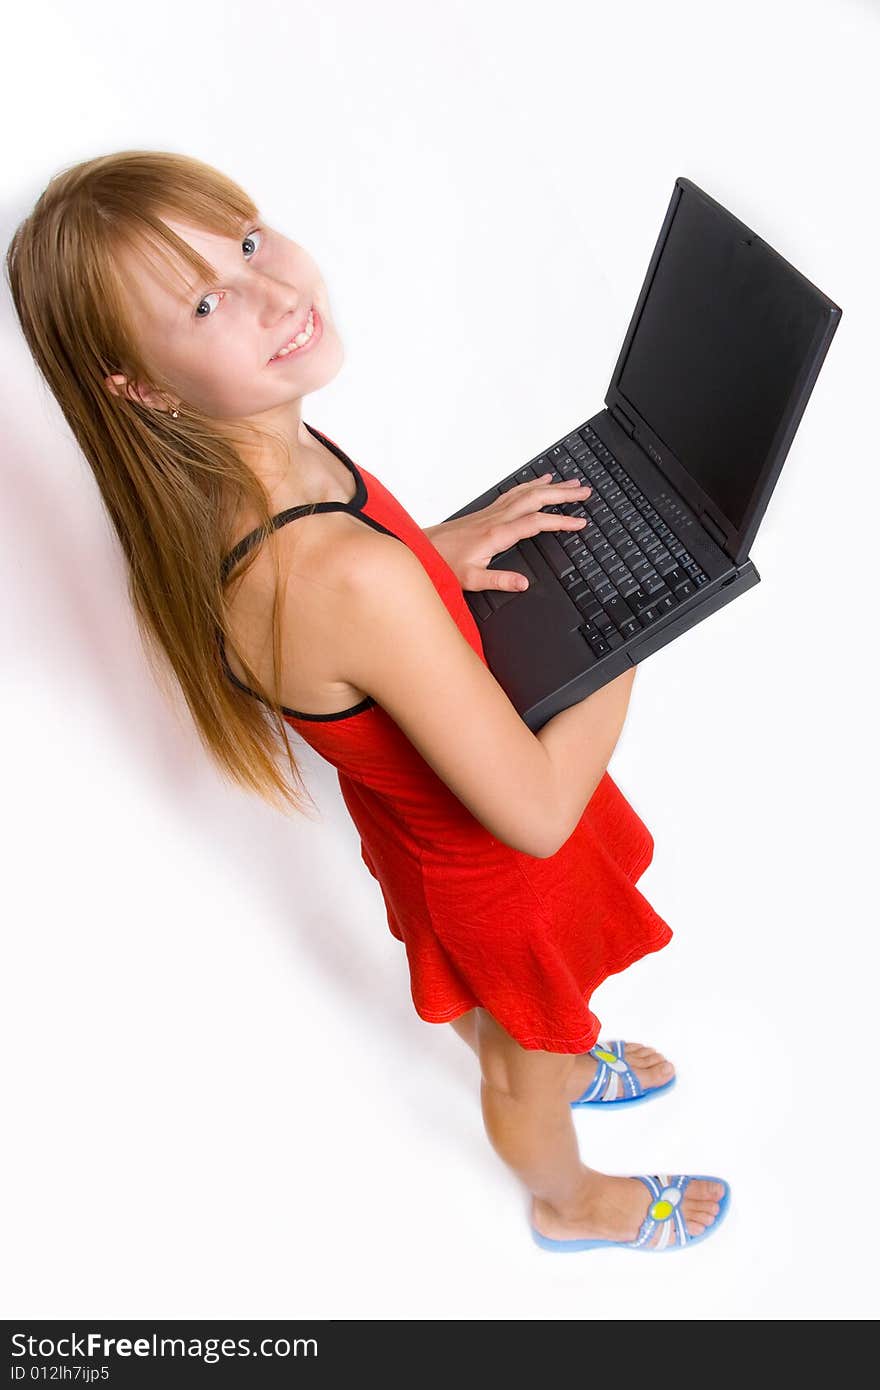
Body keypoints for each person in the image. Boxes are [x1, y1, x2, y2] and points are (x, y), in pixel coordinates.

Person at [6, 149, 729, 1254]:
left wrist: (434, 555)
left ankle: (559, 1056)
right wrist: (627, 617)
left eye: (246, 242)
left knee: (530, 1028)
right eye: (204, 302)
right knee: (516, 1064)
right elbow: (536, 812)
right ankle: (567, 1198)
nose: (273, 292)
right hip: (502, 868)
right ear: (142, 387)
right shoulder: (341, 576)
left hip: (421, 832)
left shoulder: (250, 470)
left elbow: (337, 613)